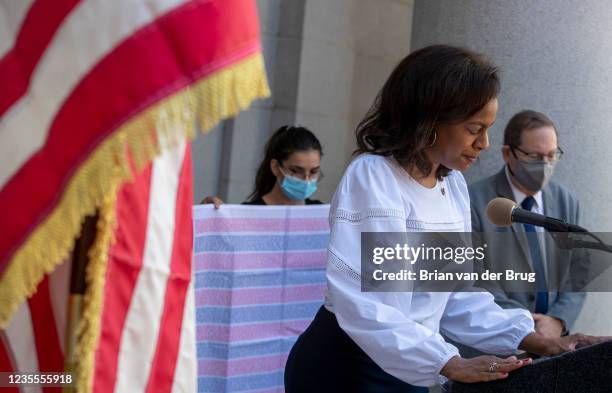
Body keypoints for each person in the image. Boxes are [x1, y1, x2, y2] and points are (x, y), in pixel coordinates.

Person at [283, 45, 606, 392]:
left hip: (409, 366)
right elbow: (366, 305)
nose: (483, 143)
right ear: (429, 119)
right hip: (348, 369)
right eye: (473, 128)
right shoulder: (374, 177)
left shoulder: (452, 186)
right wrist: (447, 362)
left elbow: (453, 293)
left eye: (488, 129)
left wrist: (539, 341)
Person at [468, 110, 587, 338]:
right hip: (498, 345)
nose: (544, 165)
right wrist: (527, 326)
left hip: (554, 343)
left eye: (551, 155)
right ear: (507, 154)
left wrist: (558, 321)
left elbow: (577, 272)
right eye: (533, 157)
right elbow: (476, 279)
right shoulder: (475, 201)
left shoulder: (566, 200)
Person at [200, 125, 324, 206]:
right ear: (275, 167)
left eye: (314, 172)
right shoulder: (247, 214)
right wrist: (209, 216)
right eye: (296, 170)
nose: (307, 181)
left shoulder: (325, 215)